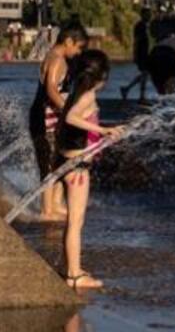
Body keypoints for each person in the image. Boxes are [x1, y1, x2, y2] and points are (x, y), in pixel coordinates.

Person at [56, 49, 124, 289]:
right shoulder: (86, 97)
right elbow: (71, 119)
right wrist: (105, 130)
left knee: (73, 222)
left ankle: (73, 268)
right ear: (100, 76)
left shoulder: (76, 92)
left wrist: (105, 134)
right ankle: (74, 275)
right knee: (76, 222)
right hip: (78, 169)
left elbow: (81, 128)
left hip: (68, 161)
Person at [28, 23, 87, 221]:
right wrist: (69, 111)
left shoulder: (56, 57)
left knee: (58, 160)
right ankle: (47, 210)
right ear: (68, 42)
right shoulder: (57, 59)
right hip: (43, 119)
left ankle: (55, 204)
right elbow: (51, 90)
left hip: (49, 118)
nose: (78, 52)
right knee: (48, 165)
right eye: (78, 47)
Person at [120, 8, 152, 103]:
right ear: (143, 15)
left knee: (144, 75)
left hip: (145, 53)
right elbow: (136, 41)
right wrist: (135, 54)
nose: (150, 16)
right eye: (148, 14)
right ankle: (140, 96)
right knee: (144, 75)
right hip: (141, 54)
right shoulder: (140, 26)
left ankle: (127, 89)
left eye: (150, 14)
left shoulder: (145, 26)